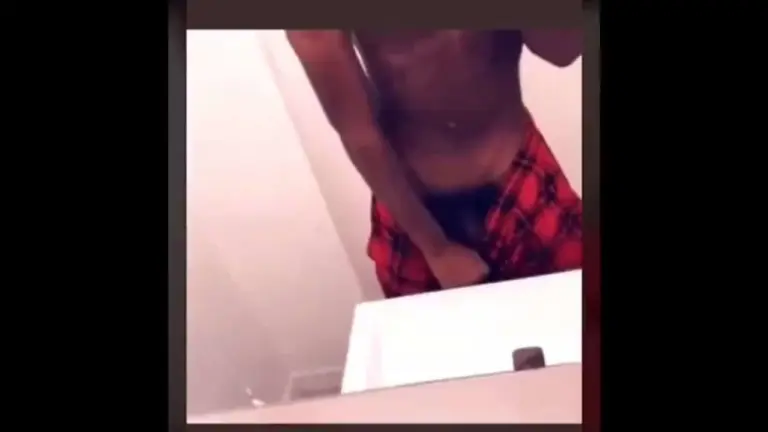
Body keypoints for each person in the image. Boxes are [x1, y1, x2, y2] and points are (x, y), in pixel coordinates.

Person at [287, 30, 583, 298]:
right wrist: (435, 248)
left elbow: (563, 51)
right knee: (442, 340)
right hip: (416, 203)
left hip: (521, 168)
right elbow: (359, 132)